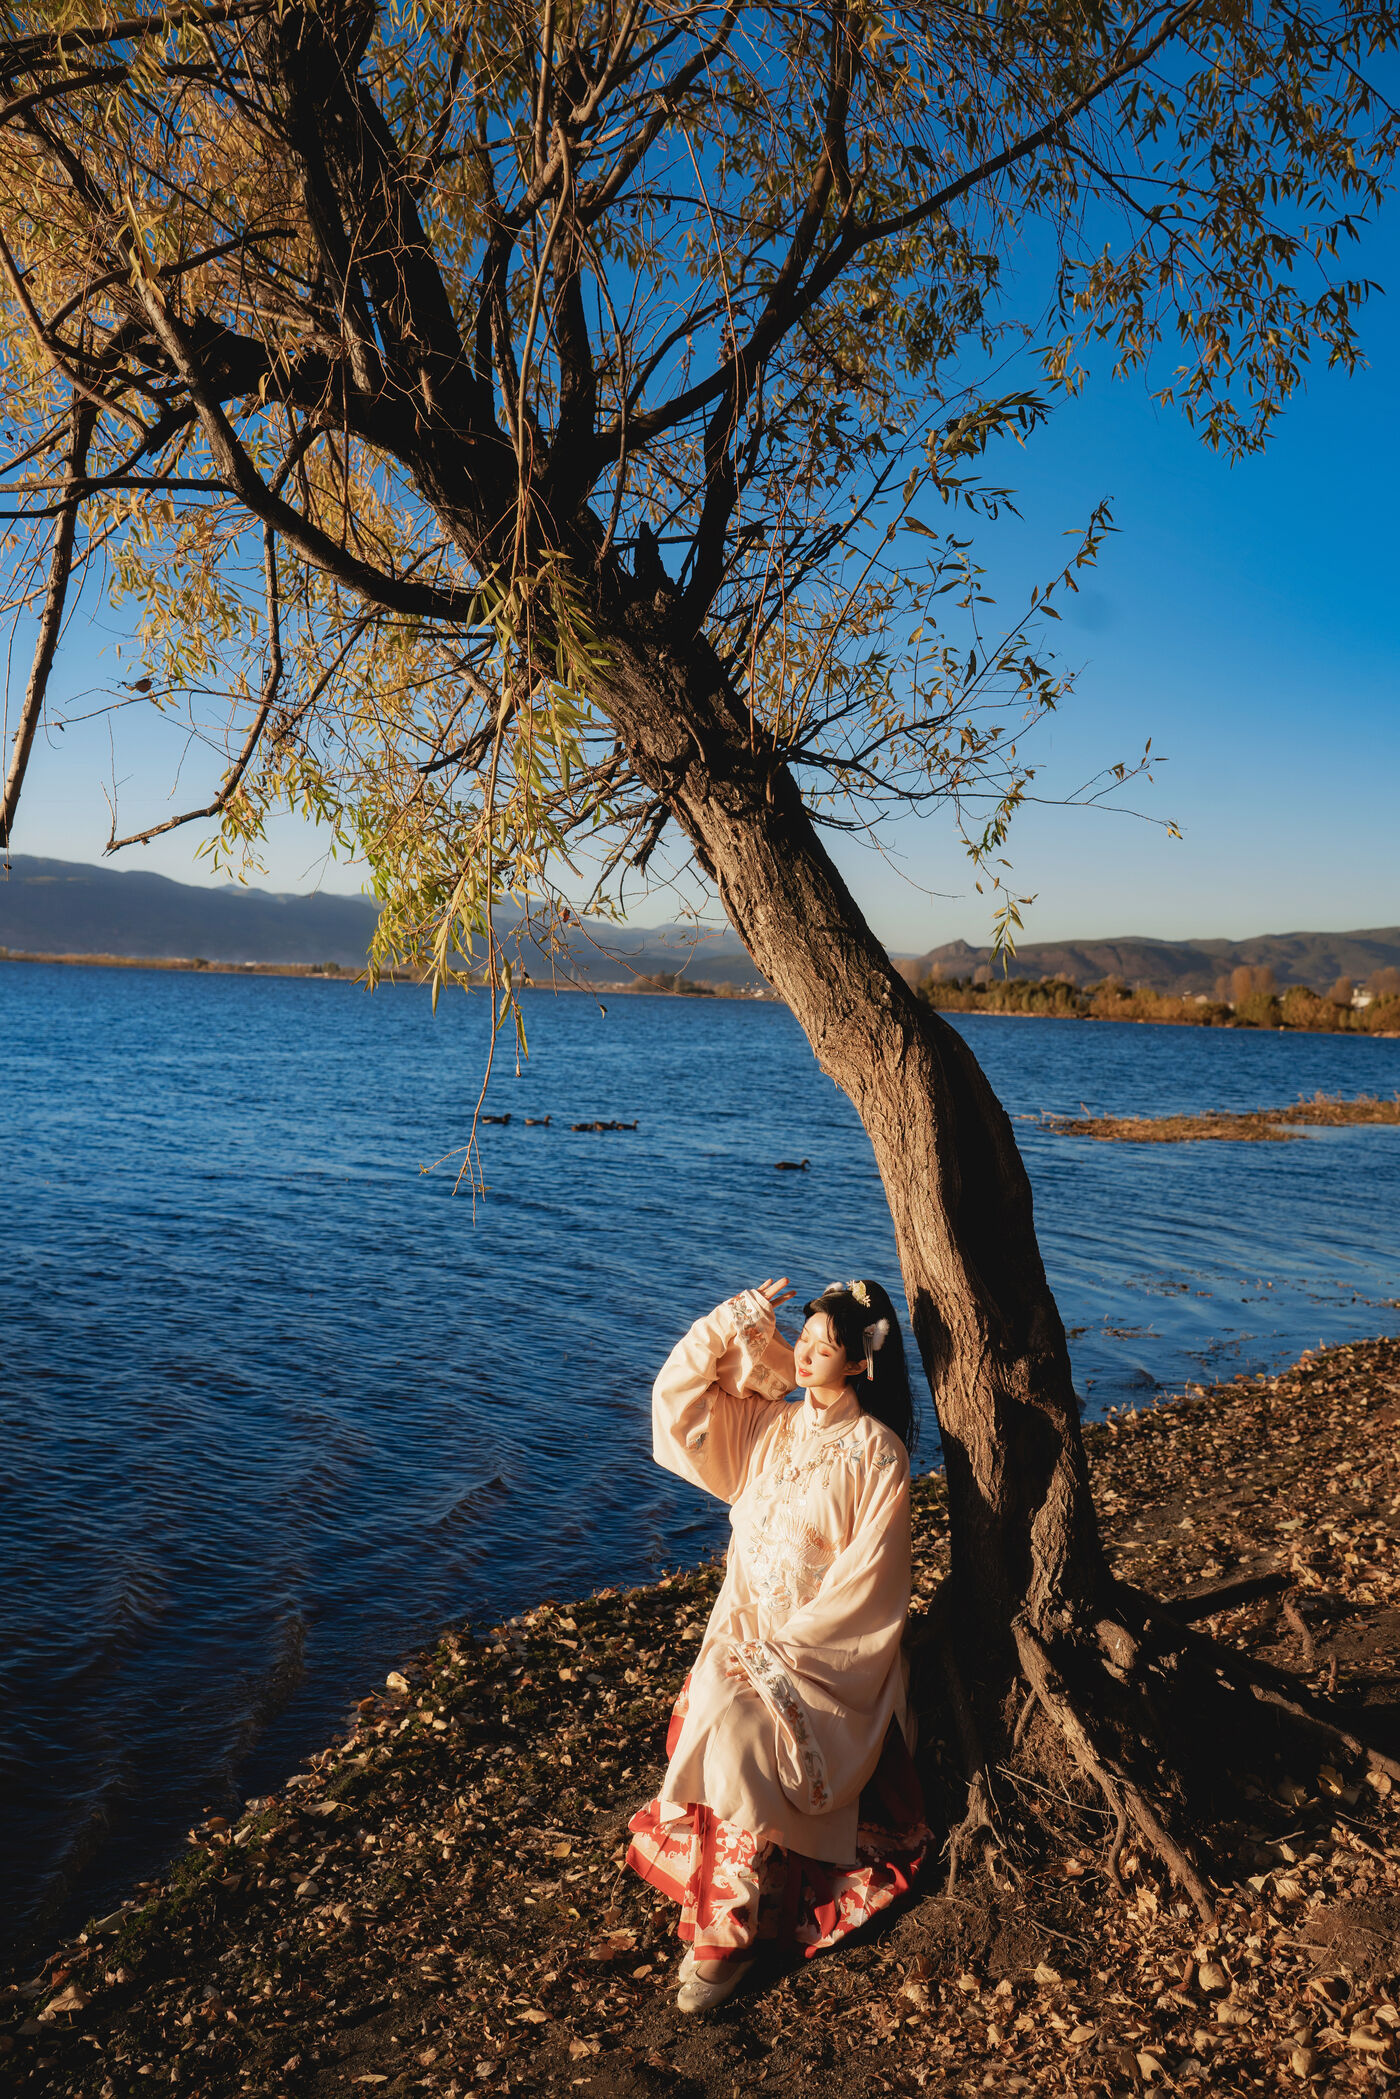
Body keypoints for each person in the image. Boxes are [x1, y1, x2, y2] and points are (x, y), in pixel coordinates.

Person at [626, 1275, 928, 2013]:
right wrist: (730, 1321)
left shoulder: (879, 1456)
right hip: (743, 1634)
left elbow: (869, 1591)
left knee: (734, 1708)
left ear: (859, 1364)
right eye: (808, 1335)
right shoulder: (771, 1427)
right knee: (717, 1695)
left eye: (828, 1346)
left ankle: (723, 1937)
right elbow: (677, 1409)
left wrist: (777, 1660)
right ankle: (726, 1918)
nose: (807, 1352)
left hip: (829, 1661)